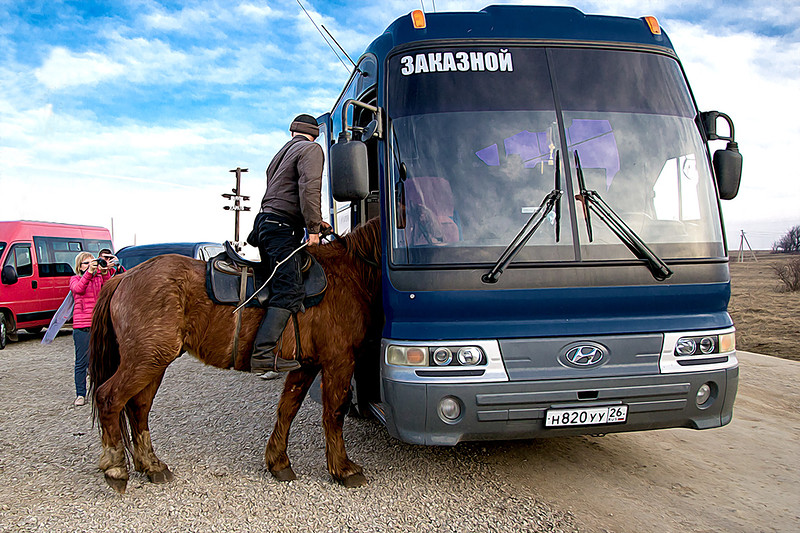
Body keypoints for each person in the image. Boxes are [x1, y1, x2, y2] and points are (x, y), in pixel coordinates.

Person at [250, 113, 331, 376]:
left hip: (265, 224)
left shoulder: (280, 154)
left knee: (278, 285)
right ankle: (263, 355)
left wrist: (318, 221)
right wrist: (314, 229)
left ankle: (286, 346)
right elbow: (310, 188)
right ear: (315, 132)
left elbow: (284, 194)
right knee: (290, 289)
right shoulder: (311, 148)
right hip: (282, 228)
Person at [69, 251, 111, 406]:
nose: (89, 266)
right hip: (82, 326)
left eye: (91, 262)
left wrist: (105, 272)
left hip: (99, 324)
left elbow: (107, 290)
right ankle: (80, 394)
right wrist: (90, 273)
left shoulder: (98, 278)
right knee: (81, 362)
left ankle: (101, 391)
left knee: (101, 360)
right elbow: (79, 289)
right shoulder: (75, 279)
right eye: (85, 263)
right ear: (79, 267)